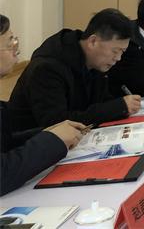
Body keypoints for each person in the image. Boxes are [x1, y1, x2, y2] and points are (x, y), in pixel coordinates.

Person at [7, 9, 141, 132]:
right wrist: (117, 108)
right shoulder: (47, 68)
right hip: (30, 141)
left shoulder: (96, 62)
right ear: (93, 41)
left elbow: (100, 102)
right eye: (115, 51)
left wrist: (120, 107)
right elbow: (57, 123)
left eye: (122, 52)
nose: (118, 58)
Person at [0, 15, 87, 195]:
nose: (16, 51)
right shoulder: (48, 66)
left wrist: (48, 133)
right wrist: (52, 140)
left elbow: (5, 143)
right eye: (10, 44)